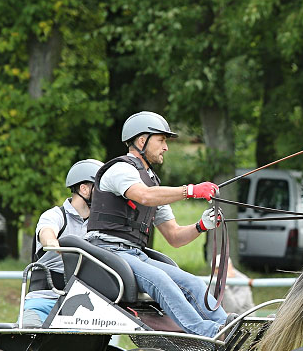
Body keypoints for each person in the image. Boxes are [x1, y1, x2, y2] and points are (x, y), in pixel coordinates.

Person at [85, 111, 234, 337]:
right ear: (142, 141)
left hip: (135, 255)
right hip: (106, 251)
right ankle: (209, 332)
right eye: (161, 140)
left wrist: (201, 226)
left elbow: (174, 236)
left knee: (192, 282)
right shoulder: (120, 170)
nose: (166, 147)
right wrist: (191, 191)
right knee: (160, 279)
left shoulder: (153, 182)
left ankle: (229, 327)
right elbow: (144, 196)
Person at [21, 159, 100, 327]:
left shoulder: (101, 224)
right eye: (100, 188)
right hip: (44, 298)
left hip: (79, 299)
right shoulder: (55, 215)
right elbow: (47, 230)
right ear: (84, 189)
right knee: (29, 335)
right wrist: (52, 242)